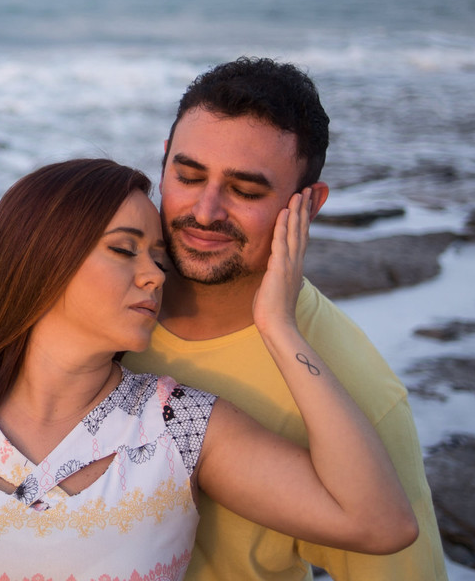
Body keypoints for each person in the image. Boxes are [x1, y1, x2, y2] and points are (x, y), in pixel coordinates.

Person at [0, 158, 417, 581]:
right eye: (125, 250)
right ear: (41, 258)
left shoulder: (178, 425)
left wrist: (278, 322)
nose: (155, 276)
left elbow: (381, 524)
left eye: (157, 257)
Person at [123, 56, 448, 580]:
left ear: (309, 204)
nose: (205, 212)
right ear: (163, 163)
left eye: (245, 191)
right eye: (188, 176)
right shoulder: (89, 302)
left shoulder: (354, 392)